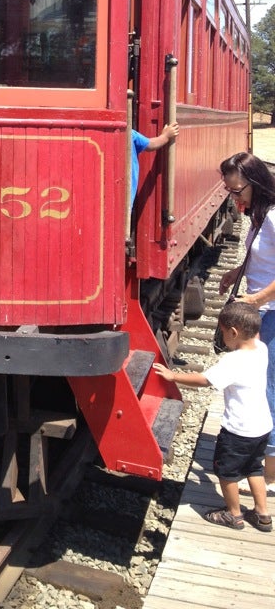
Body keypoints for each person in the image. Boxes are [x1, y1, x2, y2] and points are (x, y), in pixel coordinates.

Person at [154, 301, 273, 531]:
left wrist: (173, 376)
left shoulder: (232, 361)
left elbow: (205, 380)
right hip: (261, 426)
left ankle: (234, 514)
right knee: (254, 468)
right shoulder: (261, 349)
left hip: (238, 431)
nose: (221, 337)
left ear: (233, 332)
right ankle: (262, 514)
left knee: (227, 473)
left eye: (222, 332)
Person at [218, 150, 275, 490]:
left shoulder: (272, 218)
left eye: (237, 191)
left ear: (255, 184)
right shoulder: (260, 214)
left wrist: (254, 299)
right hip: (264, 311)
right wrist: (238, 272)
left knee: (267, 386)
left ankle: (269, 472)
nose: (233, 197)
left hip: (270, 313)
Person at [131, 122, 179, 206]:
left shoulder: (131, 134)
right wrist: (165, 136)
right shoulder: (129, 134)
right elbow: (151, 144)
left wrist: (165, 136)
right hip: (126, 197)